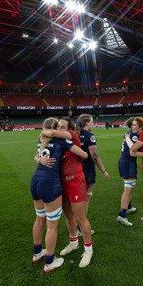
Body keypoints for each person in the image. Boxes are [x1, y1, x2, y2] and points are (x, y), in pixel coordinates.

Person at [31, 117, 88, 273]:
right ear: (55, 129)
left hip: (35, 181)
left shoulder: (41, 140)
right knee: (51, 225)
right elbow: (84, 154)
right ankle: (49, 262)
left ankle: (37, 253)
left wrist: (39, 160)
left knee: (38, 219)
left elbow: (37, 157)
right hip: (49, 183)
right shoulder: (61, 141)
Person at [117, 118, 143, 226]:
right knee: (128, 189)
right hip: (128, 163)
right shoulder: (134, 135)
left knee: (129, 188)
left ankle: (128, 207)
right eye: (134, 124)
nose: (133, 127)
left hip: (125, 162)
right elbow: (133, 152)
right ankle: (122, 215)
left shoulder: (129, 133)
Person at [75, 114, 110, 218]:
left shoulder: (74, 134)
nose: (93, 124)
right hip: (87, 169)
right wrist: (104, 171)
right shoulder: (90, 136)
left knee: (78, 199)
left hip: (76, 168)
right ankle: (81, 225)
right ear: (86, 123)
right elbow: (94, 156)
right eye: (91, 121)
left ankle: (76, 227)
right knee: (85, 199)